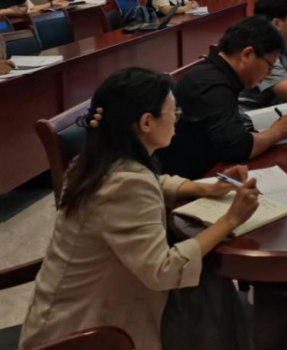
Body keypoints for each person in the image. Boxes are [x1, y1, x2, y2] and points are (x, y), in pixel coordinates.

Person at [19, 68, 260, 350]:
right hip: (85, 335)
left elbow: (152, 182)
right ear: (147, 122)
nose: (177, 120)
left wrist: (205, 188)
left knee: (207, 289)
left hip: (65, 315)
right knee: (208, 295)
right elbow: (163, 270)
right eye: (174, 113)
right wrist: (231, 219)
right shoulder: (125, 184)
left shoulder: (95, 161)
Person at [156, 16, 287, 179]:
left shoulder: (216, 74)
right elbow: (238, 148)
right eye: (269, 66)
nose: (269, 74)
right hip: (187, 182)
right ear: (247, 54)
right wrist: (277, 132)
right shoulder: (212, 84)